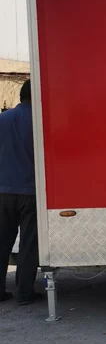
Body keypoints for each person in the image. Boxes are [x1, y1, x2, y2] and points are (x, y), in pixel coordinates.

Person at [0, 79, 38, 305]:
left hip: (2, 191)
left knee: (2, 242)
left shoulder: (2, 120)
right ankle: (25, 293)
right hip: (30, 192)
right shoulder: (39, 122)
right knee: (28, 243)